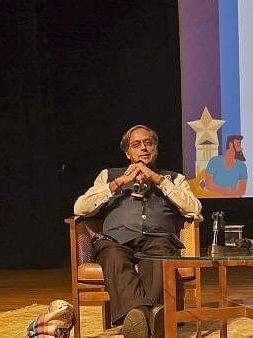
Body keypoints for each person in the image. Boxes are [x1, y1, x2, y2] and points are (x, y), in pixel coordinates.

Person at [74, 125, 201, 338]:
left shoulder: (173, 178)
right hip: (115, 240)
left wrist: (158, 180)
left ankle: (139, 320)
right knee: (113, 255)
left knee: (159, 255)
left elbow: (194, 208)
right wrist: (119, 183)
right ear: (128, 153)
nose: (143, 148)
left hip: (158, 239)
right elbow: (80, 208)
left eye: (148, 143)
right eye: (136, 145)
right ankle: (149, 317)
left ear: (156, 149)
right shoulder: (108, 175)